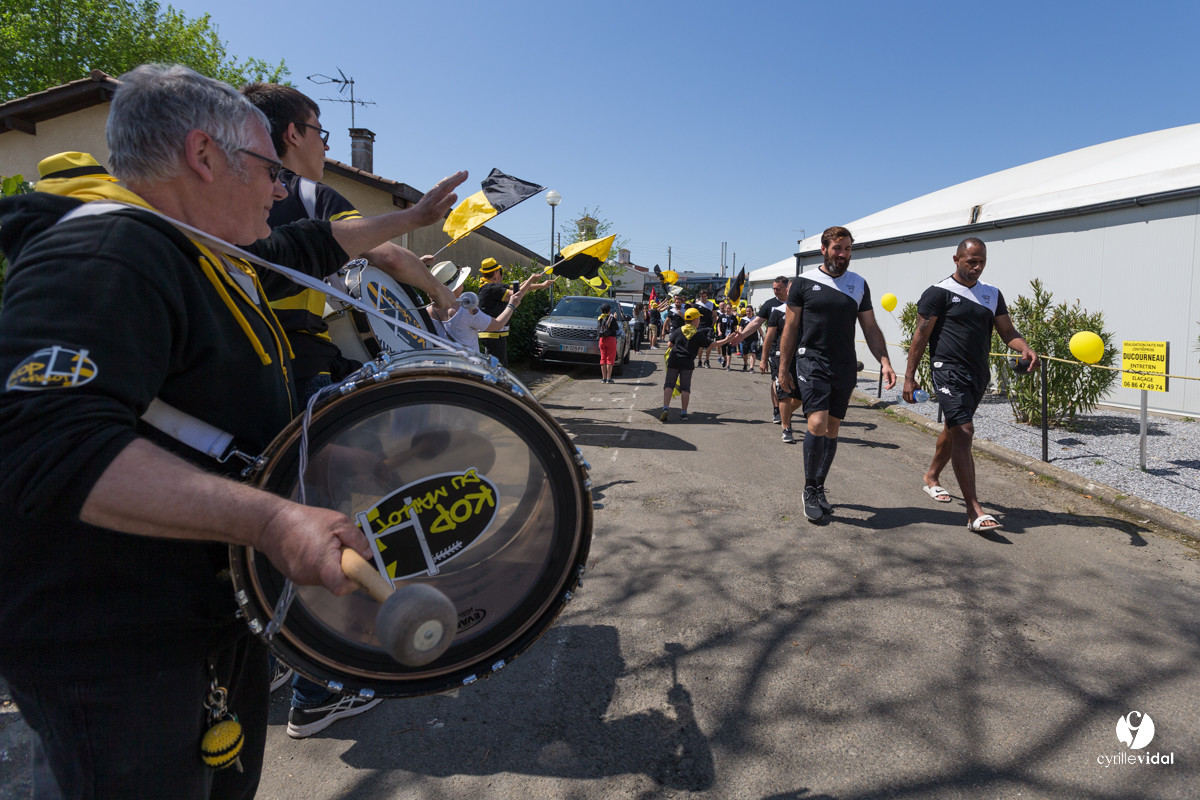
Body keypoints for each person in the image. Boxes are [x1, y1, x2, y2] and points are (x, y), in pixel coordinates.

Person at [0, 63, 464, 799]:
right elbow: (45, 448)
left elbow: (315, 244)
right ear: (203, 156)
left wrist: (405, 224)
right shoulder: (102, 257)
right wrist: (273, 518)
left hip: (200, 619)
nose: (281, 190)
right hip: (115, 646)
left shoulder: (207, 254)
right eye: (268, 170)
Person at [242, 83, 456, 400]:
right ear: (294, 134)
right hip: (294, 363)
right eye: (320, 133)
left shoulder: (231, 189)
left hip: (235, 360)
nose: (326, 148)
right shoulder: (308, 193)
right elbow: (388, 255)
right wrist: (439, 292)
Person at [903, 238, 1037, 532]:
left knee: (954, 430)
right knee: (964, 430)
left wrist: (1023, 347)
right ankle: (974, 510)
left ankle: (931, 477)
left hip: (978, 374)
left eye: (981, 262)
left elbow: (1007, 331)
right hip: (947, 370)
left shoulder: (991, 294)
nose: (976, 267)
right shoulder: (938, 293)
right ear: (956, 259)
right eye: (970, 261)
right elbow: (920, 337)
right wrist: (909, 376)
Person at [778, 227, 896, 523]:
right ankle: (808, 489)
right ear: (824, 249)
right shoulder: (804, 282)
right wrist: (783, 368)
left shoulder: (858, 284)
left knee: (832, 428)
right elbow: (791, 328)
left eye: (847, 249)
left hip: (844, 364)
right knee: (816, 421)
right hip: (812, 359)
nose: (842, 255)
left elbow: (870, 327)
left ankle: (819, 487)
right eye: (837, 248)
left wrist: (884, 361)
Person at [659, 307, 736, 422]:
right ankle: (684, 413)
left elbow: (670, 344)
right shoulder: (698, 334)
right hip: (687, 363)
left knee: (669, 385)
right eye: (699, 318)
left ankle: (665, 408)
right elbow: (713, 344)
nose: (699, 320)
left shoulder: (679, 330)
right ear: (695, 320)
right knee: (685, 388)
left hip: (674, 360)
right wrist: (727, 339)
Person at [730, 276, 789, 423]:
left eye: (778, 289)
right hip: (775, 347)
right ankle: (777, 410)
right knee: (776, 380)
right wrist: (742, 335)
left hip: (794, 348)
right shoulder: (770, 305)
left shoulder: (796, 304)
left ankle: (787, 408)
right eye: (773, 289)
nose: (775, 291)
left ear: (787, 288)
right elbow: (756, 322)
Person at [476, 257, 552, 366]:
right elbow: (517, 295)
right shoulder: (491, 288)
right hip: (493, 334)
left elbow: (519, 288)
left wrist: (542, 285)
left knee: (499, 366)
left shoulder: (490, 286)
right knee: (498, 368)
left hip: (494, 333)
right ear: (497, 272)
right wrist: (530, 280)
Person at [437, 289, 527, 352]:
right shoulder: (466, 309)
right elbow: (497, 325)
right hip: (467, 367)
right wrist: (511, 305)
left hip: (442, 366)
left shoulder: (428, 310)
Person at [597, 303, 620, 382]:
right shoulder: (612, 318)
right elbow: (617, 328)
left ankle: (603, 378)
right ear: (609, 310)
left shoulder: (600, 318)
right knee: (610, 359)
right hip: (611, 339)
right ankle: (609, 378)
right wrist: (615, 318)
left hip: (602, 340)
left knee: (603, 358)